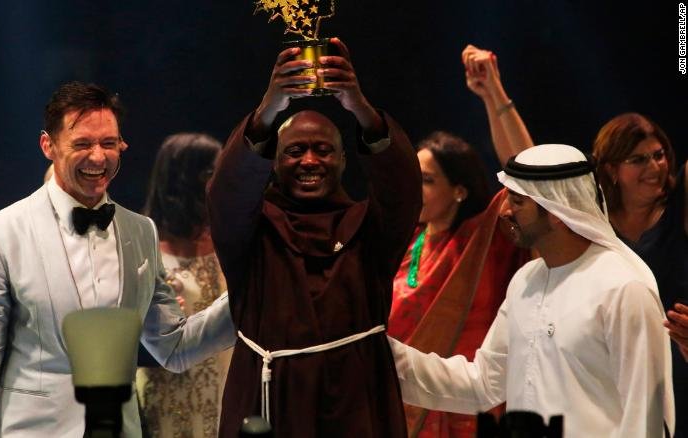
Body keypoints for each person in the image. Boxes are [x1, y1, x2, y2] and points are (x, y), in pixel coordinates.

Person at [0, 81, 236, 437]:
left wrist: (247, 294)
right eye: (83, 144)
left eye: (108, 143)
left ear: (122, 145)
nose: (98, 157)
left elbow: (173, 346)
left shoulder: (141, 231)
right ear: (48, 146)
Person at [207, 37, 421, 437]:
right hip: (268, 400)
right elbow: (227, 193)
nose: (309, 161)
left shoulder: (368, 230)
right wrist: (269, 108)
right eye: (295, 151)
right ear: (273, 162)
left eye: (323, 150)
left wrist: (360, 107)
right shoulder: (252, 231)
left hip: (357, 401)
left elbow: (403, 191)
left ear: (343, 160)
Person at [389, 144, 675, 437]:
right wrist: (380, 352)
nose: (504, 211)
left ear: (556, 210)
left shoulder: (623, 286)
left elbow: (644, 416)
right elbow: (484, 384)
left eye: (517, 201)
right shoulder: (525, 280)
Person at [388, 44, 533, 437]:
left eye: (427, 180)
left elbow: (530, 177)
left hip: (472, 411)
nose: (414, 188)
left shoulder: (483, 242)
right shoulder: (401, 248)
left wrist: (493, 93)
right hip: (404, 413)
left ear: (459, 191)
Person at [592, 112, 687, 437]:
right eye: (638, 159)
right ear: (611, 170)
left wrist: (682, 59)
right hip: (620, 371)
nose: (654, 167)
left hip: (681, 364)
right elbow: (533, 174)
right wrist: (493, 93)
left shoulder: (681, 205)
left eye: (659, 155)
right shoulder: (595, 222)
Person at [136, 132, 232, 437]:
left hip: (224, 386)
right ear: (181, 180)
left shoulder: (228, 240)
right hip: (166, 394)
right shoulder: (143, 249)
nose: (218, 182)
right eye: (209, 173)